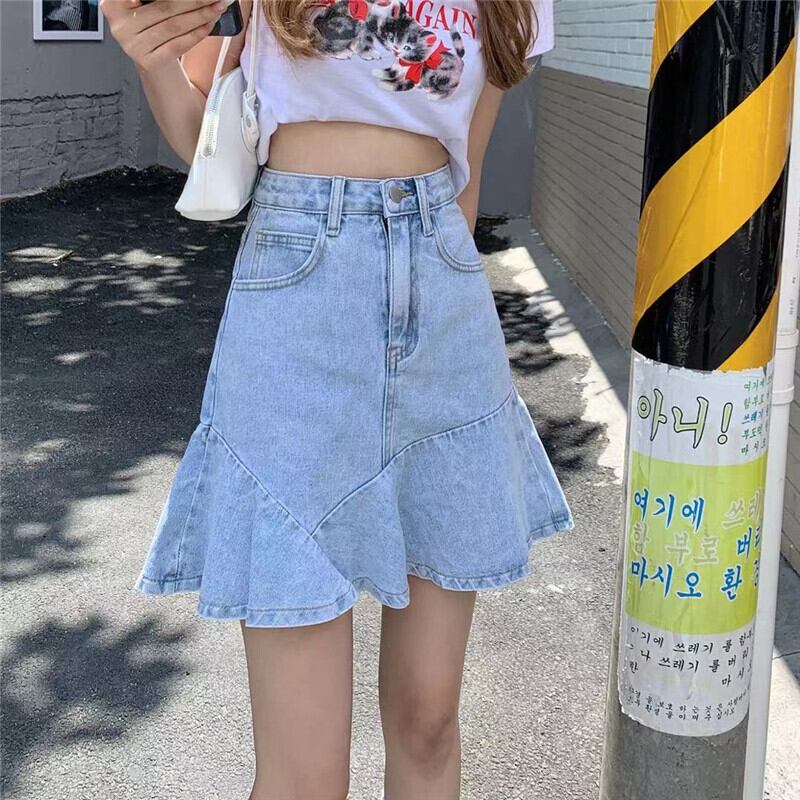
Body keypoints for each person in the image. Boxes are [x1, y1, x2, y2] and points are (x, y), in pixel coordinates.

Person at [104, 1, 573, 797]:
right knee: (305, 775)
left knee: (429, 720)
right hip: (297, 297)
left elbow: (466, 171)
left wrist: (442, 298)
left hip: (443, 303)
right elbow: (200, 132)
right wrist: (152, 61)